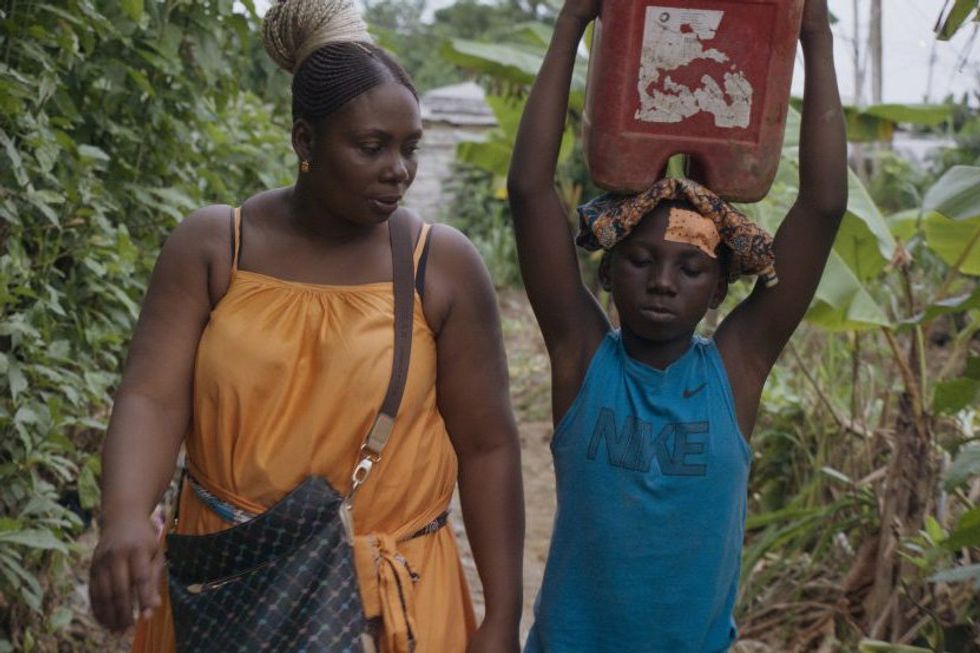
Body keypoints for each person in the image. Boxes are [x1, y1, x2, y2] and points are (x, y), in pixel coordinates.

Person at [88, 1, 524, 651]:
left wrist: (500, 614)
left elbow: (489, 445)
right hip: (226, 589)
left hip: (386, 607)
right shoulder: (215, 247)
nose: (398, 170)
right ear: (305, 141)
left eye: (409, 149)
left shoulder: (441, 266)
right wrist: (124, 513)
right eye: (372, 147)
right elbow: (151, 396)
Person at [507, 0, 846, 651]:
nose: (663, 281)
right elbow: (530, 190)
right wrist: (574, 20)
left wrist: (815, 36)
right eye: (640, 259)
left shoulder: (736, 369)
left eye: (691, 268)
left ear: (720, 287)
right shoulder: (583, 360)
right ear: (607, 274)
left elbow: (824, 205)